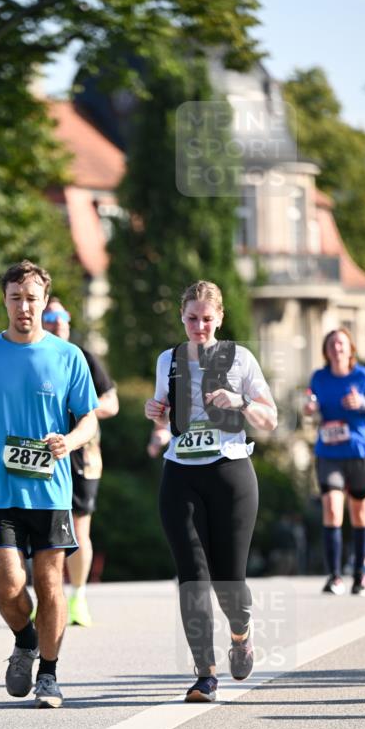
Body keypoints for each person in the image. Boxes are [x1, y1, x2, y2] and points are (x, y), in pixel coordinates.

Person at [0, 260, 99, 708]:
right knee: (7, 584)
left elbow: (88, 418)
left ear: (44, 302)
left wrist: (69, 441)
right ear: (5, 301)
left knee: (49, 582)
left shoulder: (67, 356)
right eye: (15, 298)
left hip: (51, 490)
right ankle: (26, 637)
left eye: (32, 299)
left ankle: (50, 676)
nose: (24, 307)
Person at [145, 280, 277, 703]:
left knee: (228, 582)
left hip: (230, 473)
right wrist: (155, 412)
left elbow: (270, 419)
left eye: (206, 319)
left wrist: (239, 402)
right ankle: (205, 675)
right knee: (192, 578)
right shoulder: (169, 359)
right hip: (181, 474)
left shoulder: (241, 358)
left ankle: (241, 634)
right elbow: (164, 417)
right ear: (181, 318)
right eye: (191, 318)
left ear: (220, 318)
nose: (199, 326)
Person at [42, 298, 119, 625]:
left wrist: (81, 405)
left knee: (79, 527)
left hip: (84, 454)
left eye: (63, 315)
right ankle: (49, 596)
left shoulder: (84, 357)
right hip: (45, 453)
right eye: (51, 316)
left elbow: (112, 403)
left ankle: (78, 598)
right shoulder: (36, 355)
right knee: (46, 528)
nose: (58, 321)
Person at [304, 328, 365, 595]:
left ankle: (360, 574)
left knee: (360, 514)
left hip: (358, 452)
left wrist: (363, 402)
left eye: (341, 344)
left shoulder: (363, 376)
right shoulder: (319, 377)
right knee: (331, 509)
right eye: (331, 345)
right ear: (326, 350)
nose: (337, 349)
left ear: (350, 348)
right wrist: (309, 408)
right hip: (329, 453)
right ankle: (334, 576)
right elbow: (311, 406)